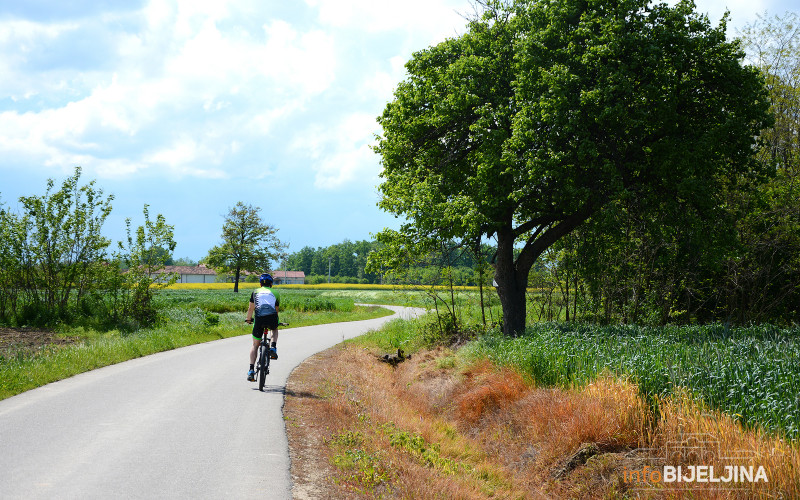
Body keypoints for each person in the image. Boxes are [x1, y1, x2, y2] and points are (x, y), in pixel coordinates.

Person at [245, 273, 280, 382]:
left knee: (255, 345)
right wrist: (276, 321)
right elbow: (276, 310)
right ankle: (273, 347)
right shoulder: (275, 293)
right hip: (272, 317)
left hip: (259, 319)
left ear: (260, 284)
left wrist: (249, 319)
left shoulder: (255, 292)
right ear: (271, 284)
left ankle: (251, 370)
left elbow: (251, 309)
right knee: (274, 328)